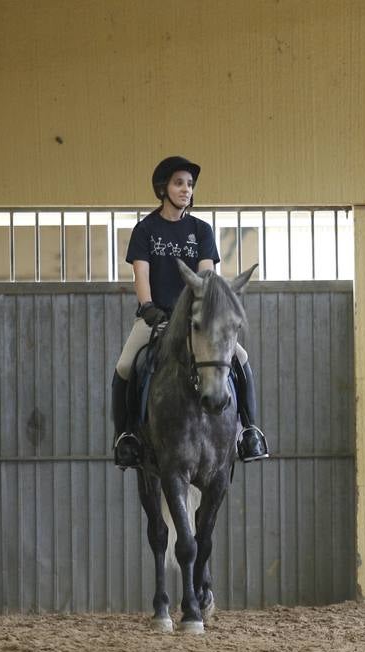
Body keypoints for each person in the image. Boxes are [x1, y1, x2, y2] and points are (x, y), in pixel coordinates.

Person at [111, 155, 269, 468]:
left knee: (241, 358)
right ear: (163, 188)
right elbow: (141, 273)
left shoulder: (201, 230)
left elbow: (206, 277)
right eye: (179, 183)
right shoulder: (145, 229)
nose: (186, 189)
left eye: (190, 184)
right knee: (126, 366)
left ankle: (250, 431)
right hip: (157, 317)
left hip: (196, 319)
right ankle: (126, 436)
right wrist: (147, 307)